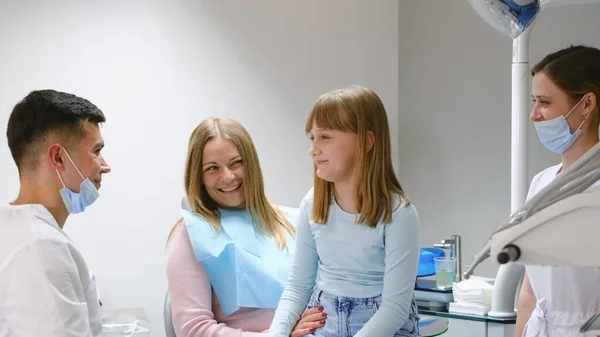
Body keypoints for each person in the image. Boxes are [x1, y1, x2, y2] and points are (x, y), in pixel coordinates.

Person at [267, 85, 421, 337]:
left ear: (366, 141)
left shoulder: (400, 214)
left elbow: (394, 308)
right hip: (324, 320)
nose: (313, 149)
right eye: (312, 138)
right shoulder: (312, 203)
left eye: (325, 137)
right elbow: (298, 286)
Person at [166, 117, 326, 337]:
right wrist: (279, 334)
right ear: (199, 177)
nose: (228, 176)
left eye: (236, 163)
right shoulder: (190, 235)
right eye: (212, 168)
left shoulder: (296, 220)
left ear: (251, 163)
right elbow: (193, 329)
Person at [0, 89, 111, 337]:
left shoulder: (11, 229)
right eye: (96, 151)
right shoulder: (41, 248)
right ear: (59, 157)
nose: (105, 165)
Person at [515, 45, 600, 337]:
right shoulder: (541, 182)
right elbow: (529, 289)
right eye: (533, 101)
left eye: (544, 102)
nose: (534, 115)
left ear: (587, 104)